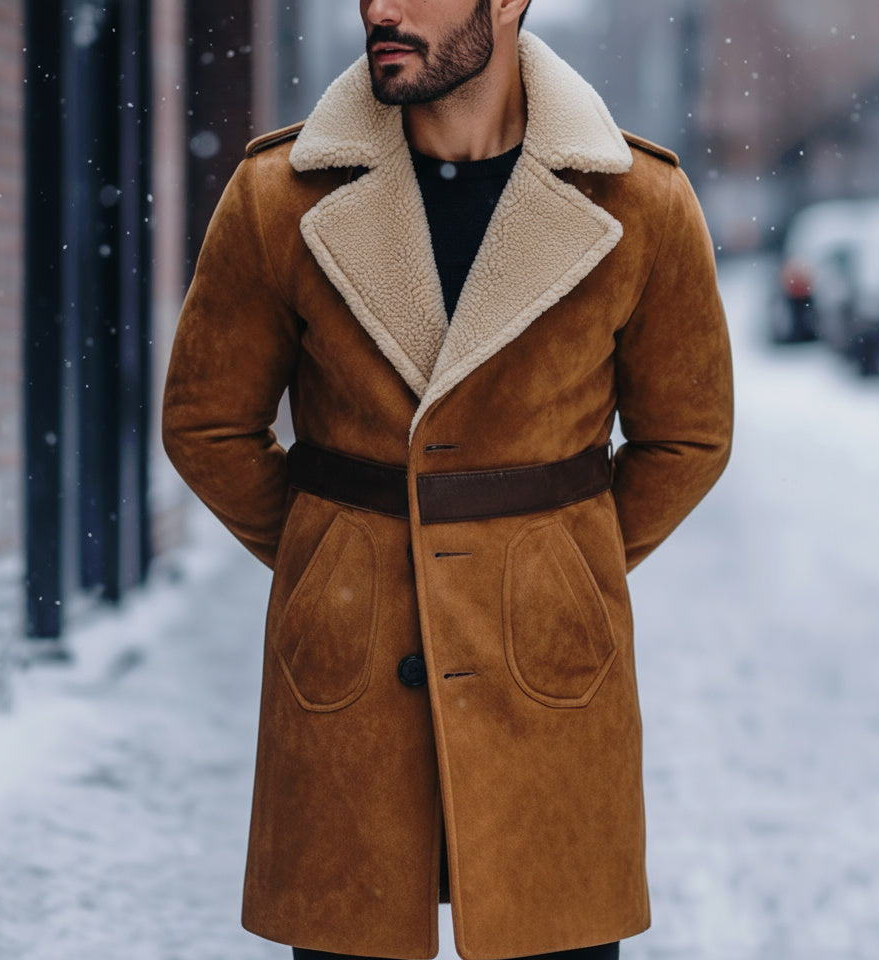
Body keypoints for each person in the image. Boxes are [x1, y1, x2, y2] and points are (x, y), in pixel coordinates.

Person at [162, 0, 733, 958]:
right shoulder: (280, 194)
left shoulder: (639, 202)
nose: (379, 8)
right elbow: (207, 422)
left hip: (547, 677)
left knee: (551, 930)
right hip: (348, 668)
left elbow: (688, 436)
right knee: (351, 932)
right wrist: (333, 561)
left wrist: (550, 569)